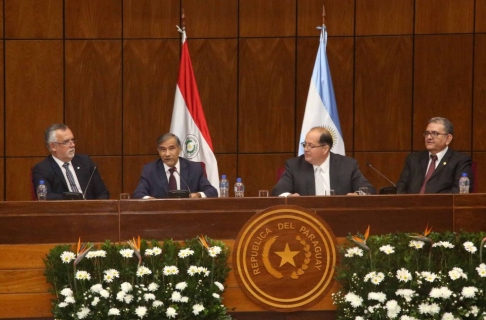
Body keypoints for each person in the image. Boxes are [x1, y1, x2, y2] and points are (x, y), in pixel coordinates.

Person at [272, 127, 375, 196]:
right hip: (307, 220)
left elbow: (368, 189)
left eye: (311, 146)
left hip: (340, 218)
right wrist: (289, 196)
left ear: (325, 149)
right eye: (305, 144)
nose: (306, 149)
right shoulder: (294, 165)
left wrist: (357, 195)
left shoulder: (347, 165)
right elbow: (278, 191)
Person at [32, 124, 110, 200]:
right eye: (66, 142)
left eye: (72, 140)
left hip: (90, 211)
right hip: (63, 211)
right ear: (53, 146)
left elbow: (102, 193)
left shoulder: (85, 161)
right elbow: (45, 197)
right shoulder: (42, 169)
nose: (72, 145)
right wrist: (72, 199)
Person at [397, 117, 473, 194]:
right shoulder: (413, 159)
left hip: (442, 205)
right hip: (411, 205)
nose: (429, 137)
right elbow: (401, 188)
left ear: (448, 138)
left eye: (435, 133)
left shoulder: (460, 160)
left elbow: (458, 192)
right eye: (427, 133)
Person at [133, 133, 218, 199]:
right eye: (163, 149)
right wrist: (149, 199)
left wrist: (198, 195)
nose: (167, 154)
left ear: (179, 149)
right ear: (158, 152)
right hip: (160, 217)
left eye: (171, 148)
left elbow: (212, 192)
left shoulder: (194, 168)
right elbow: (138, 194)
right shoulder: (150, 170)